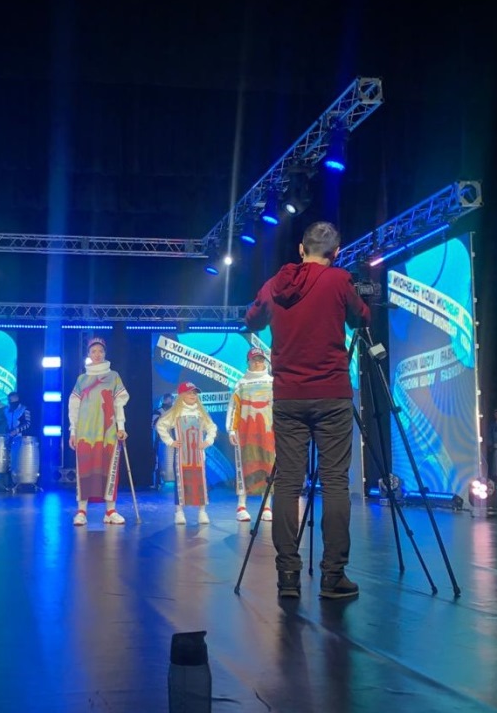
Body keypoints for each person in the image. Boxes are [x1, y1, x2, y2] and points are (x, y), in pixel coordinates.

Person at [245, 221, 370, 600]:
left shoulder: (274, 285)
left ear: (301, 249)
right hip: (331, 395)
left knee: (287, 482)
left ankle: (288, 577)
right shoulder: (339, 281)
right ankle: (333, 576)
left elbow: (252, 320)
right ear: (337, 251)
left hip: (288, 396)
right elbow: (362, 319)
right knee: (334, 482)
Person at [68, 336, 130, 525]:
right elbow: (74, 406)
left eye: (100, 351)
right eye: (93, 351)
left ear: (105, 353)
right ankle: (81, 511)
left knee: (109, 468)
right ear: (88, 354)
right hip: (86, 433)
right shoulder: (82, 379)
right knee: (85, 469)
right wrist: (73, 431)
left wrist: (121, 427)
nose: (97, 354)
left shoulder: (113, 376)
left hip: (108, 432)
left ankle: (110, 511)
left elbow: (119, 403)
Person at [156, 381, 217, 525]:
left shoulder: (201, 413)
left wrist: (208, 441)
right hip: (181, 457)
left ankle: (202, 512)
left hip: (198, 457)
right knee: (181, 484)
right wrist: (170, 442)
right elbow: (161, 425)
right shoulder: (175, 413)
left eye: (194, 393)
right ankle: (179, 512)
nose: (192, 395)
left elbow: (212, 427)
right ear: (182, 395)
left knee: (200, 483)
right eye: (189, 393)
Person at [226, 347, 275, 522]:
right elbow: (234, 407)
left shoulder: (272, 382)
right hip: (245, 432)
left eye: (260, 359)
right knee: (245, 466)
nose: (257, 362)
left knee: (268, 466)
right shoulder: (241, 384)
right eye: (254, 359)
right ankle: (241, 505)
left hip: (269, 431)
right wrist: (231, 429)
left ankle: (266, 505)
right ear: (248, 362)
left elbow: (278, 407)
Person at [151, 392, 175, 488]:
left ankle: (176, 479)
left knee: (174, 460)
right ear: (165, 400)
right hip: (161, 441)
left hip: (173, 440)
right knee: (159, 461)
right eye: (169, 399)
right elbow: (154, 425)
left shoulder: (175, 411)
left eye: (172, 399)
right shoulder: (158, 411)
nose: (171, 401)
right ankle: (158, 482)